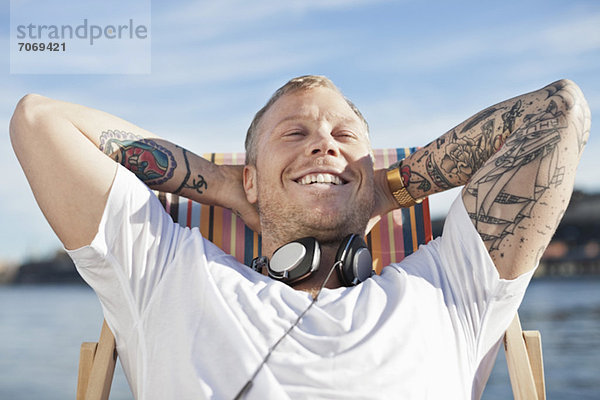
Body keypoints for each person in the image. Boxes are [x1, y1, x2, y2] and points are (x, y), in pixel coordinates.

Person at [10, 76, 590, 399]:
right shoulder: (165, 271)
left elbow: (557, 111)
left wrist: (385, 190)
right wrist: (233, 188)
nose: (324, 144)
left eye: (344, 135)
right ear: (251, 175)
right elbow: (39, 121)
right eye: (295, 132)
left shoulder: (449, 286)